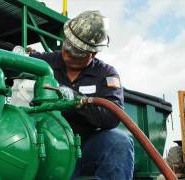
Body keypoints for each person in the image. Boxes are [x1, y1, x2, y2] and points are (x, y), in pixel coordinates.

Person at [30, 10, 134, 179]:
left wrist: (77, 101)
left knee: (119, 142)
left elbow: (112, 116)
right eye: (67, 44)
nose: (67, 52)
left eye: (76, 50)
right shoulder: (44, 63)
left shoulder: (105, 74)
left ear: (93, 53)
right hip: (44, 144)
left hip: (83, 147)